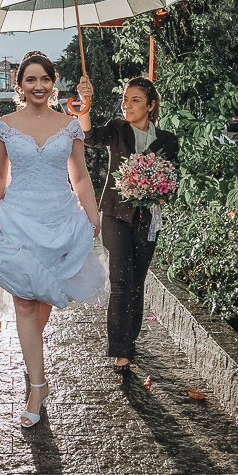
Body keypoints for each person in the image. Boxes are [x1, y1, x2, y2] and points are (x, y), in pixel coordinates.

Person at [0, 51, 105, 428]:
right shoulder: (5, 125)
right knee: (25, 305)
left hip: (60, 222)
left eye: (44, 79)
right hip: (18, 221)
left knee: (41, 305)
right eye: (30, 79)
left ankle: (34, 372)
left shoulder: (70, 125)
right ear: (20, 85)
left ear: (53, 83)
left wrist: (92, 215)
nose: (38, 86)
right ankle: (37, 387)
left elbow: (80, 177)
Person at [76, 76, 179, 375]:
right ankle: (120, 350)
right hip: (115, 215)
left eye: (135, 100)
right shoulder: (117, 130)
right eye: (125, 99)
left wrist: (158, 189)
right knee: (120, 281)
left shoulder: (168, 140)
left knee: (137, 282)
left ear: (151, 105)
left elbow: (173, 180)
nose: (127, 105)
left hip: (148, 221)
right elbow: (90, 136)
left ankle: (130, 339)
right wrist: (86, 106)